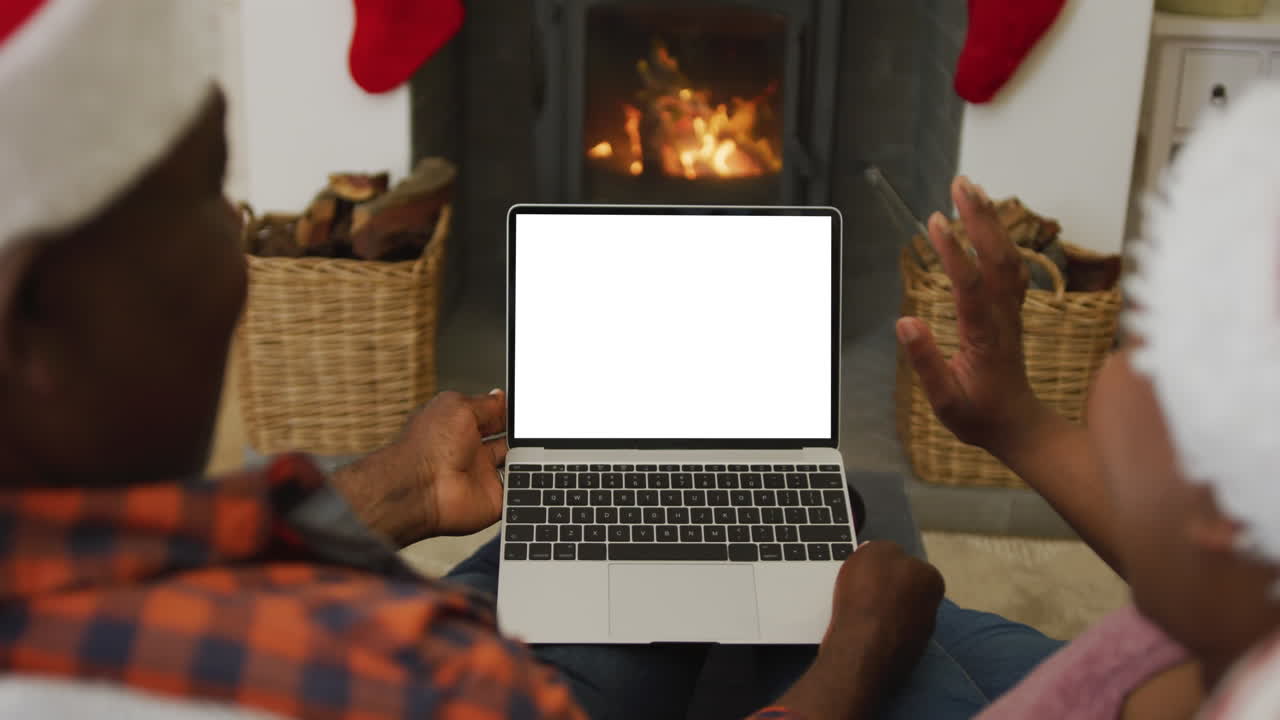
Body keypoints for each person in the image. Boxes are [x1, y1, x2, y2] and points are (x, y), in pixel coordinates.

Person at [0, 2, 970, 718]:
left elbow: (164, 548)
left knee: (588, 530)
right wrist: (856, 651)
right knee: (880, 624)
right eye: (208, 185)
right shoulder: (426, 680)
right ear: (36, 309)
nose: (235, 230)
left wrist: (401, 489)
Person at [895, 83, 1280, 716]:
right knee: (929, 617)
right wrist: (1019, 424)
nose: (1116, 368)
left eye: (1143, 343)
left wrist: (842, 666)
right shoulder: (1234, 606)